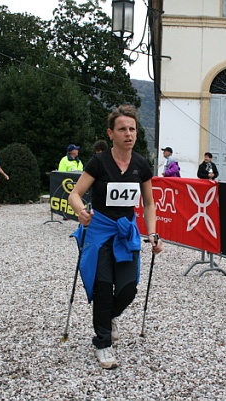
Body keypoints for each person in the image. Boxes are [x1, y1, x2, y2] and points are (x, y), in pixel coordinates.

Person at [68, 105, 163, 370]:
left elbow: (149, 204)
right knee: (103, 286)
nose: (128, 134)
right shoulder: (98, 162)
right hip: (99, 231)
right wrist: (80, 211)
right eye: (122, 129)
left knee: (128, 288)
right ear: (111, 133)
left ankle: (107, 318)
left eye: (132, 129)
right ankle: (102, 342)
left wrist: (153, 233)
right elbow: (75, 195)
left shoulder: (141, 164)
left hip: (125, 232)